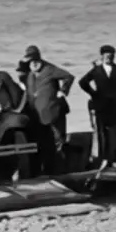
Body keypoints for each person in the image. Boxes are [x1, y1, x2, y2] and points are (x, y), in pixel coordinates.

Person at [78, 45, 116, 167]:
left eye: (111, 56)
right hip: (100, 106)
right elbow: (82, 82)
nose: (108, 58)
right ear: (102, 57)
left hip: (114, 107)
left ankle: (112, 159)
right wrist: (93, 93)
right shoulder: (96, 71)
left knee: (114, 135)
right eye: (106, 56)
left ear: (113, 57)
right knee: (101, 135)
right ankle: (103, 159)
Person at [23, 45, 76, 175]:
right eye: (31, 61)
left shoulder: (50, 69)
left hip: (54, 114)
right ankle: (44, 171)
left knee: (58, 143)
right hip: (38, 118)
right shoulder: (29, 75)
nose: (34, 64)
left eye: (36, 61)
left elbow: (69, 76)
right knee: (42, 145)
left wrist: (63, 91)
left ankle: (60, 172)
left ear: (40, 59)